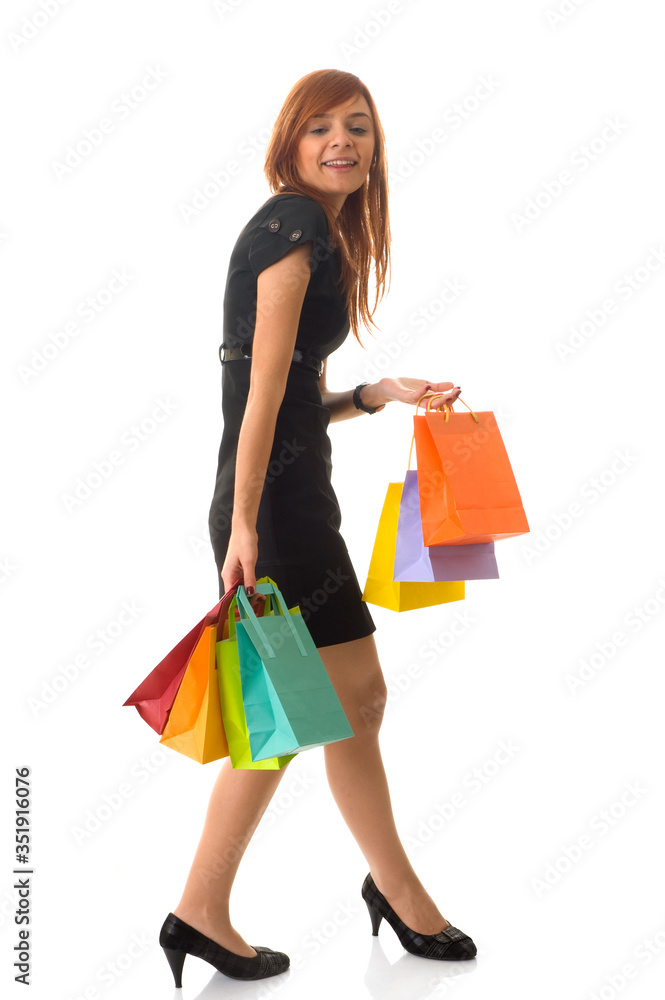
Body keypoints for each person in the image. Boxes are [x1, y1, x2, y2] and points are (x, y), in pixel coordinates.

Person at [158, 68, 477, 987]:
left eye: (359, 127)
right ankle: (222, 906)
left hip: (289, 500)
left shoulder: (307, 232)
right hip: (275, 515)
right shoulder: (294, 224)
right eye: (321, 127)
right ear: (290, 142)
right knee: (314, 709)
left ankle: (243, 905)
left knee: (338, 709)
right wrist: (245, 523)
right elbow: (256, 395)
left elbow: (291, 396)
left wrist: (373, 395)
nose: (342, 141)